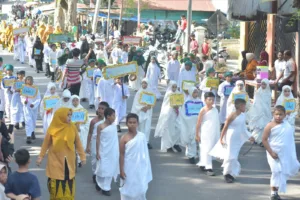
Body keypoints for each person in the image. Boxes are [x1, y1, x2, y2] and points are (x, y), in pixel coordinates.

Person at [36, 108, 86, 200]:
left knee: (69, 186)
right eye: (68, 115)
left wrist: (82, 157)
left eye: (71, 115)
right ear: (61, 116)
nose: (70, 117)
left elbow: (78, 143)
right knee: (56, 187)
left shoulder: (72, 127)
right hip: (55, 162)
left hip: (69, 162)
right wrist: (40, 157)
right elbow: (45, 144)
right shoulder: (52, 128)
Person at [210, 99, 255, 183]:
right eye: (244, 105)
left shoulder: (243, 115)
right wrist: (221, 138)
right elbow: (225, 127)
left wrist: (250, 136)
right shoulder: (232, 115)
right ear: (239, 106)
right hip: (230, 137)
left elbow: (243, 128)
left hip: (237, 138)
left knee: (234, 156)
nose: (245, 107)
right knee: (229, 156)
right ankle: (226, 173)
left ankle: (232, 173)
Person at [262, 105, 300, 200]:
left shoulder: (286, 125)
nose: (278, 116)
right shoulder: (269, 125)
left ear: (284, 115)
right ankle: (273, 193)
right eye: (276, 114)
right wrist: (271, 152)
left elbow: (289, 141)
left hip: (284, 154)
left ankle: (276, 192)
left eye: (281, 114)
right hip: (273, 152)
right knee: (275, 171)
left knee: (281, 172)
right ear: (273, 114)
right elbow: (264, 140)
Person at [119, 113, 152, 200]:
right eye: (130, 122)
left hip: (140, 167)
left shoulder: (142, 136)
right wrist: (121, 170)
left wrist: (145, 166)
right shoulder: (124, 138)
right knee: (128, 188)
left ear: (137, 123)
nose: (132, 124)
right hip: (129, 167)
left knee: (140, 187)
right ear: (126, 124)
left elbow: (145, 153)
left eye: (134, 122)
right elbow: (121, 154)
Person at [95, 108, 119, 196]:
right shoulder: (100, 126)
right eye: (113, 115)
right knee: (102, 168)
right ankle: (99, 182)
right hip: (103, 150)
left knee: (110, 168)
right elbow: (98, 139)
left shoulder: (114, 126)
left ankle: (106, 188)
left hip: (112, 151)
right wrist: (97, 152)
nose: (115, 117)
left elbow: (115, 140)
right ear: (108, 117)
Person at [195, 92, 220, 176]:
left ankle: (203, 163)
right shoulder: (203, 110)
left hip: (214, 133)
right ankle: (208, 168)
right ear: (205, 100)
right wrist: (197, 134)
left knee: (208, 149)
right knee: (207, 149)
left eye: (213, 99)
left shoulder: (215, 110)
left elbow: (216, 122)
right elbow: (198, 123)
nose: (211, 101)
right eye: (209, 99)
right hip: (205, 133)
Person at [177, 87, 202, 164]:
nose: (195, 94)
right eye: (194, 92)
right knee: (191, 140)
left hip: (198, 124)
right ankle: (191, 156)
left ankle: (196, 154)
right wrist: (190, 119)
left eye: (196, 92)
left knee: (198, 139)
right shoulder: (187, 102)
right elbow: (183, 114)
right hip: (189, 124)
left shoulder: (200, 102)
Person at [86, 101, 109, 183]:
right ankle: (95, 174)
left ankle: (102, 174)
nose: (100, 110)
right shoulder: (94, 121)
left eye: (102, 109)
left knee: (103, 158)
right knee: (94, 158)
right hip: (95, 141)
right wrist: (88, 145)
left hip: (104, 142)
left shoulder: (108, 121)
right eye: (99, 108)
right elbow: (90, 133)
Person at [154, 81, 181, 153]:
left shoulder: (178, 93)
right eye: (173, 87)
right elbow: (166, 105)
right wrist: (173, 106)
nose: (174, 88)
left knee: (178, 128)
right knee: (168, 130)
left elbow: (181, 103)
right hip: (169, 114)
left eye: (175, 87)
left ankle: (175, 143)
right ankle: (168, 146)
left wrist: (178, 107)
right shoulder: (169, 94)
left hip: (177, 114)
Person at [247, 79, 272, 145]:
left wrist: (268, 111)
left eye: (264, 84)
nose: (263, 85)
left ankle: (262, 140)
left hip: (265, 111)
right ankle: (255, 138)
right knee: (258, 126)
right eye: (262, 84)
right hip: (258, 111)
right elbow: (255, 101)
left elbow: (268, 103)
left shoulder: (268, 93)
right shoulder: (258, 91)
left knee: (264, 126)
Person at [131, 78, 154, 149]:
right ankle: (140, 141)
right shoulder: (139, 92)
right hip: (141, 112)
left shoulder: (150, 92)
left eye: (145, 83)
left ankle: (146, 141)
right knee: (141, 127)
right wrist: (142, 107)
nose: (144, 85)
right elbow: (136, 103)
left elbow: (152, 102)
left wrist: (148, 107)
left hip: (148, 112)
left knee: (147, 127)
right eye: (143, 83)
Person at [70, 95, 90, 167]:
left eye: (76, 100)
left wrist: (80, 128)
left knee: (80, 145)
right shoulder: (68, 110)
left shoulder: (83, 110)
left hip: (80, 130)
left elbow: (87, 122)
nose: (75, 102)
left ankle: (78, 160)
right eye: (73, 100)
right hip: (71, 130)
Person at [20, 76, 41, 144]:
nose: (29, 81)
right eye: (27, 80)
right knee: (28, 121)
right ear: (25, 81)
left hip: (33, 108)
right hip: (26, 107)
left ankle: (32, 132)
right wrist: (24, 102)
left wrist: (34, 104)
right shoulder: (24, 88)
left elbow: (38, 98)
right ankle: (28, 136)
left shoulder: (35, 89)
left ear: (32, 81)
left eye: (30, 80)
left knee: (33, 121)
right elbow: (22, 96)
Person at [2, 64, 17, 134]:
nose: (9, 71)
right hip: (6, 94)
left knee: (13, 107)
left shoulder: (14, 78)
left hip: (13, 94)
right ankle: (10, 118)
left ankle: (13, 121)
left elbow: (16, 86)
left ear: (12, 71)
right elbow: (2, 86)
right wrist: (6, 89)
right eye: (8, 70)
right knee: (7, 107)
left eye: (10, 70)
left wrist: (12, 89)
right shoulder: (4, 78)